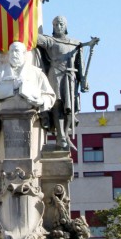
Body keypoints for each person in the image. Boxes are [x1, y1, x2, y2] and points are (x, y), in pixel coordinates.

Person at [37, 16, 99, 150]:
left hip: (70, 76)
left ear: (65, 26)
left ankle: (65, 134)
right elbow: (33, 37)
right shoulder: (50, 41)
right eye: (55, 25)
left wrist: (83, 80)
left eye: (60, 24)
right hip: (55, 75)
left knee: (70, 108)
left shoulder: (75, 43)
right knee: (57, 104)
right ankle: (61, 136)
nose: (58, 27)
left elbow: (80, 64)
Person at [0, 41, 56, 112]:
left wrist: (42, 101)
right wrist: (11, 87)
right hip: (4, 116)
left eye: (16, 51)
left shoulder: (37, 73)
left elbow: (50, 96)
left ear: (24, 54)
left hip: (30, 116)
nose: (13, 54)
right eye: (11, 51)